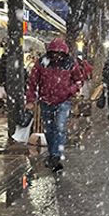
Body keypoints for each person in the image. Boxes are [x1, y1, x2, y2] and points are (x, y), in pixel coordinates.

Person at [25, 38, 86, 172]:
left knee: (59, 127)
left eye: (59, 53)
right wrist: (30, 99)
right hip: (46, 101)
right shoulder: (42, 63)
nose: (56, 56)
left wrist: (69, 91)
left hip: (63, 101)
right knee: (49, 129)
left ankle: (55, 155)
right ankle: (54, 155)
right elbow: (33, 82)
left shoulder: (70, 64)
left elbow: (79, 80)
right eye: (54, 53)